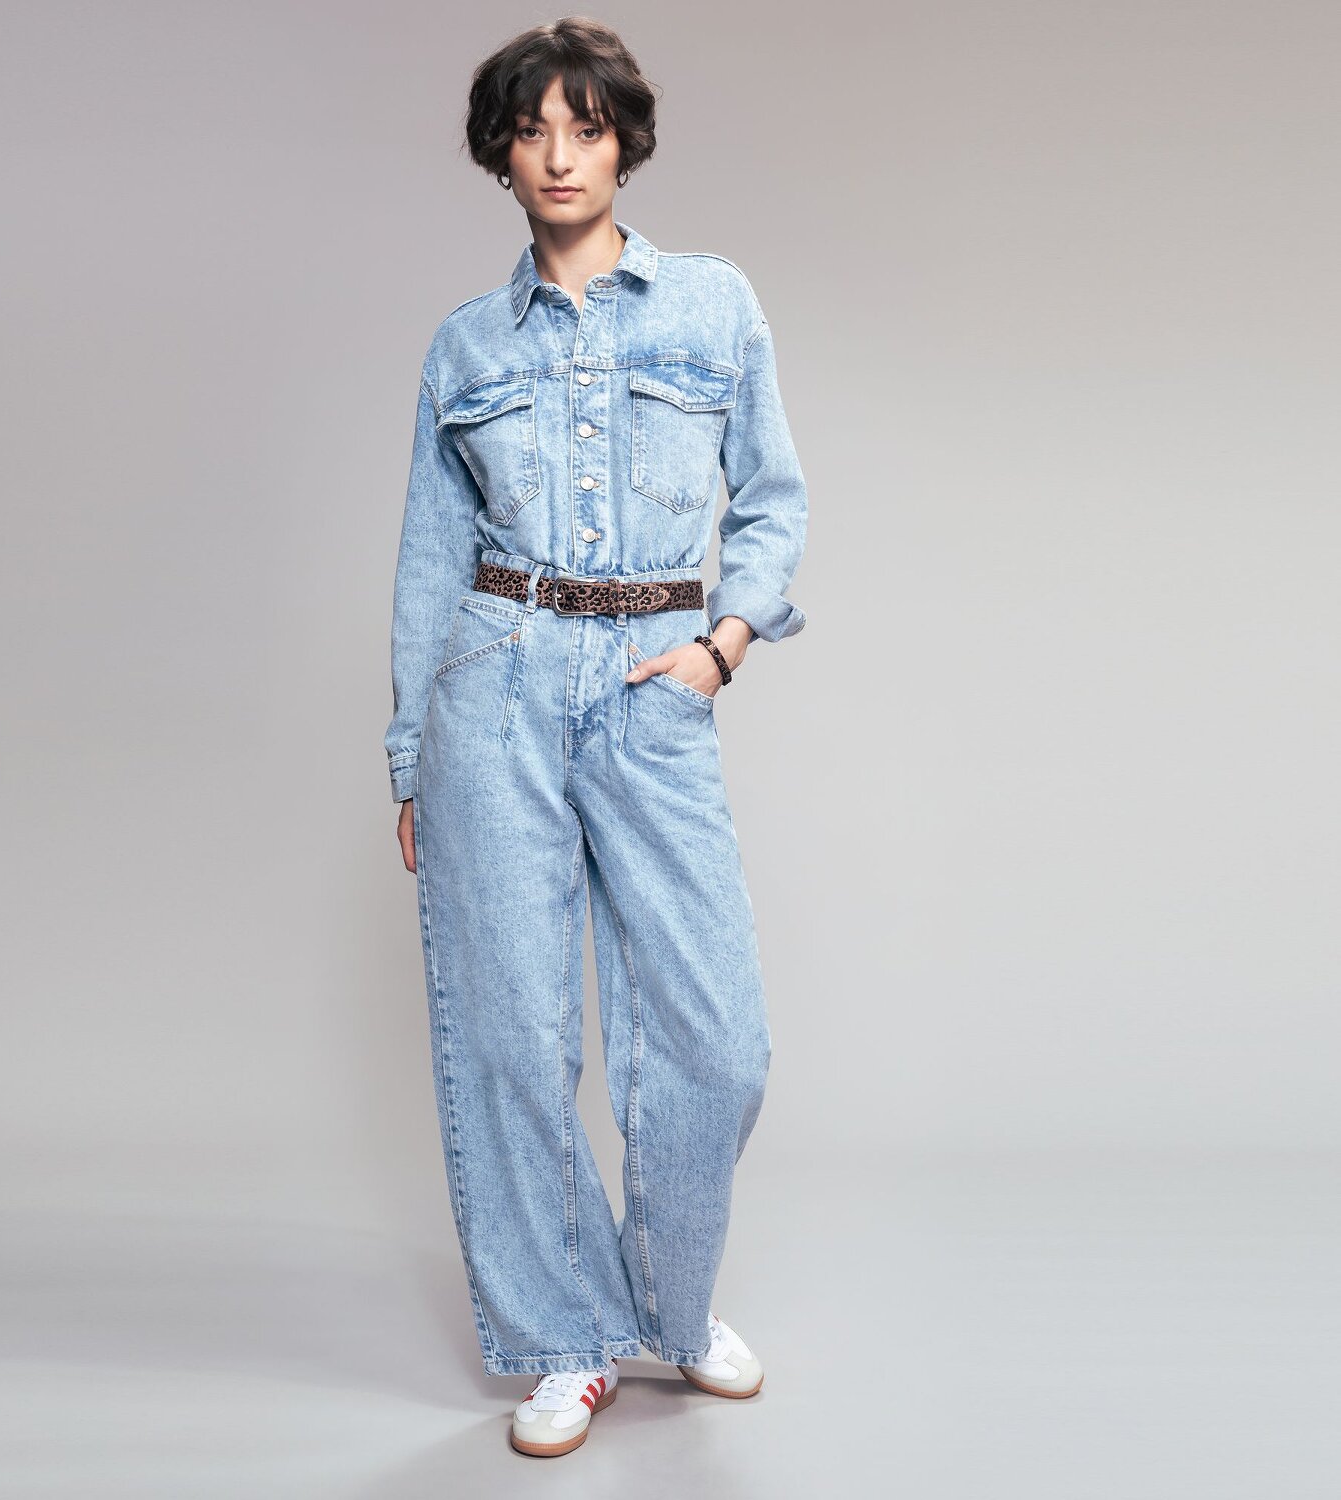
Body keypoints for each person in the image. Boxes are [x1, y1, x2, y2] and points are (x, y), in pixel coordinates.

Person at [383, 18, 807, 1457]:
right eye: (531, 132)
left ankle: (670, 1306)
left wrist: (721, 647)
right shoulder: (465, 344)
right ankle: (568, 1342)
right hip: (493, 686)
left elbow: (773, 498)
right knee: (512, 1034)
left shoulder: (711, 305)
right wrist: (408, 756)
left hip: (651, 680)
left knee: (718, 1040)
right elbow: (429, 565)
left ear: (625, 143)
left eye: (586, 128)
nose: (560, 156)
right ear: (500, 157)